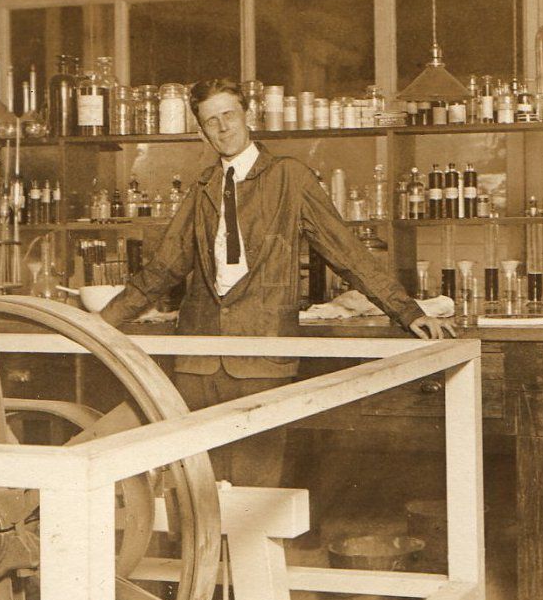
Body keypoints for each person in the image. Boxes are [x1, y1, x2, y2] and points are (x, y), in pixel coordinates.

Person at [102, 77, 450, 486]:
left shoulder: (289, 177)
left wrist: (408, 311)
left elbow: (347, 252)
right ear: (201, 131)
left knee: (256, 491)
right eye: (211, 121)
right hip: (198, 360)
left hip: (262, 355)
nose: (223, 127)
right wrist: (99, 324)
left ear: (247, 115)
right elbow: (162, 269)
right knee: (195, 489)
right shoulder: (202, 188)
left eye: (229, 114)